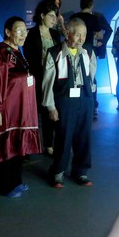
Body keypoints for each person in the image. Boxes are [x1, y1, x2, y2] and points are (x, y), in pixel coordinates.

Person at [0, 16, 42, 197]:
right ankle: (5, 186)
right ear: (8, 32)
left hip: (22, 111)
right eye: (18, 30)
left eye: (25, 30)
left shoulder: (18, 52)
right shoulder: (1, 52)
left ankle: (16, 181)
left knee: (18, 147)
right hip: (8, 111)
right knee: (7, 148)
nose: (23, 34)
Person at [42, 17, 96, 188]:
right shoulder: (54, 52)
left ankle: (81, 171)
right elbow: (47, 82)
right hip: (65, 100)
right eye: (78, 35)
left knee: (84, 137)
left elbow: (91, 75)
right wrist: (51, 106)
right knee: (64, 137)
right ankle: (58, 172)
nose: (82, 39)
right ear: (68, 33)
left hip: (85, 98)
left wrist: (91, 98)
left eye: (84, 35)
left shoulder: (88, 52)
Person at [23, 0, 61, 156]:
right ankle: (27, 147)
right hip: (36, 77)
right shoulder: (31, 34)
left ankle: (48, 144)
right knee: (31, 112)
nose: (54, 19)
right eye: (51, 16)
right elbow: (28, 55)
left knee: (48, 111)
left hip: (51, 78)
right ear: (42, 15)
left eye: (55, 16)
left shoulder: (55, 34)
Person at [70, 0, 103, 119]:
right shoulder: (93, 18)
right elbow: (100, 35)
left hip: (72, 49)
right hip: (88, 50)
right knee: (90, 77)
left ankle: (75, 105)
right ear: (91, 5)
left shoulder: (74, 17)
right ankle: (92, 105)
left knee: (73, 76)